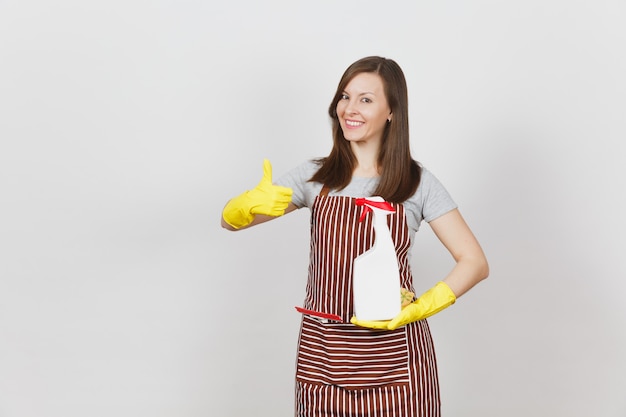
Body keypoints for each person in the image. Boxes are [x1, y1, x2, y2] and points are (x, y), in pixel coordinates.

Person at [220, 56, 489, 417]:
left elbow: (474, 261)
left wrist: (424, 306)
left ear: (392, 111)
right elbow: (233, 224)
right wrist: (239, 209)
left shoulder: (416, 182)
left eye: (366, 99)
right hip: (323, 359)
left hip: (396, 361)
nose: (350, 108)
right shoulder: (315, 176)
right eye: (345, 97)